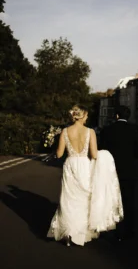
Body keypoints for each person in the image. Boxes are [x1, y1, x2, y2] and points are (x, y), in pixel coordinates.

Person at [47, 105, 123, 246]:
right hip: (84, 166)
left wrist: (53, 144)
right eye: (86, 116)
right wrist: (105, 155)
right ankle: (80, 233)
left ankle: (68, 234)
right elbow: (94, 154)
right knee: (84, 199)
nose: (87, 118)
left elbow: (59, 154)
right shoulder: (90, 132)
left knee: (68, 199)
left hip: (70, 165)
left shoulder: (64, 131)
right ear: (82, 116)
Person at [99, 105, 138, 241]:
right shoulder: (134, 130)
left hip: (111, 171)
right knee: (129, 201)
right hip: (129, 171)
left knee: (112, 200)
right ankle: (129, 231)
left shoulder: (107, 130)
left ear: (116, 115)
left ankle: (114, 230)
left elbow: (101, 150)